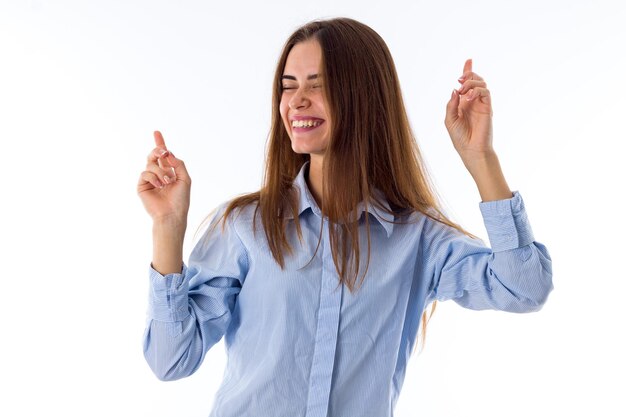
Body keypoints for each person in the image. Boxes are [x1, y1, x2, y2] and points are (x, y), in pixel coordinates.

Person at [137, 17, 553, 417]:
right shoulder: (247, 226)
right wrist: (167, 229)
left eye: (317, 86)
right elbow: (171, 359)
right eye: (289, 86)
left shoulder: (418, 237)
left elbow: (524, 288)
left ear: (363, 96)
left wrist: (481, 158)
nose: (297, 100)